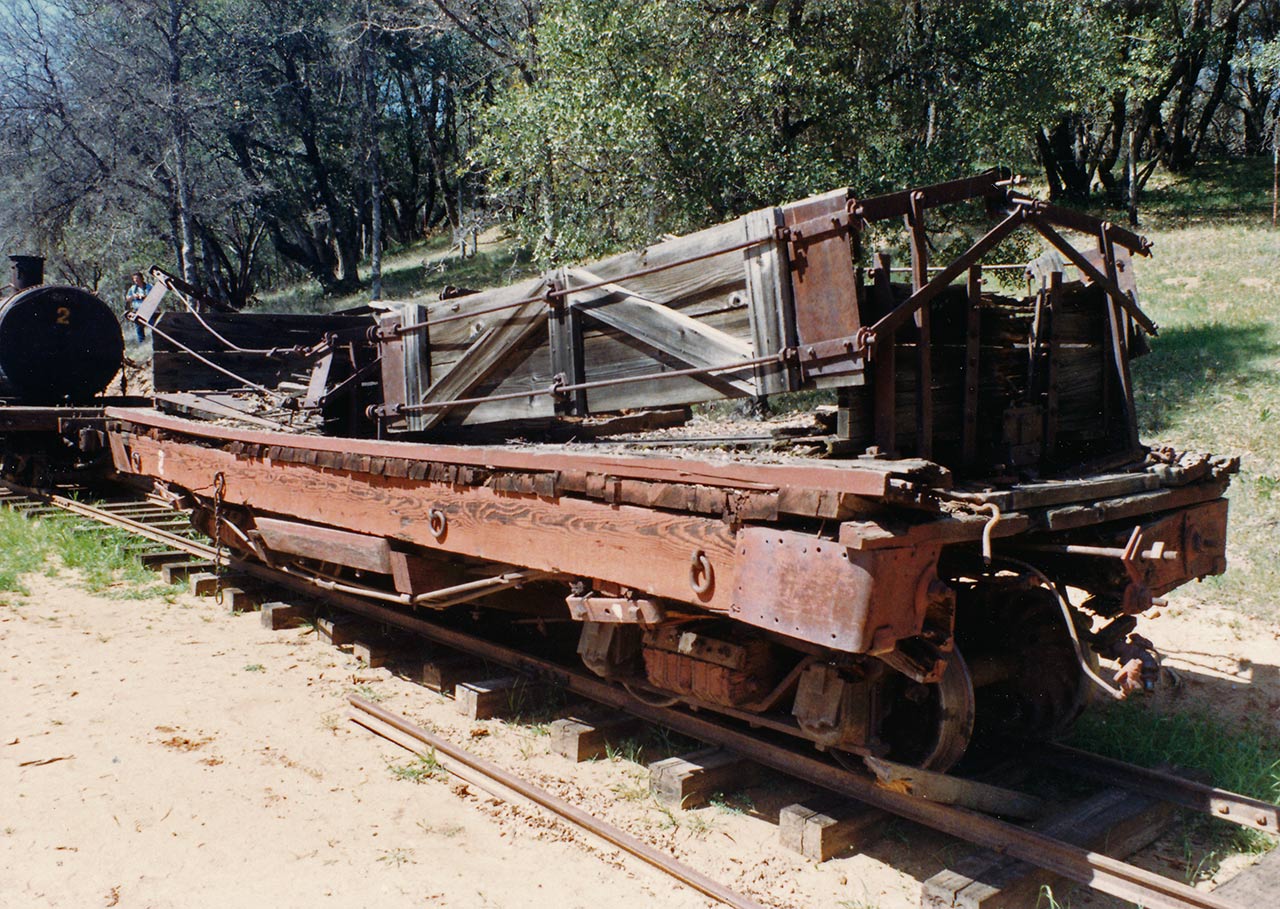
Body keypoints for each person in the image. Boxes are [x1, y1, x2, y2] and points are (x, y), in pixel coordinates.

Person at [124, 271, 150, 343]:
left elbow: (152, 296)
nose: (136, 280)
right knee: (139, 328)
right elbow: (127, 298)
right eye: (134, 279)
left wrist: (143, 296)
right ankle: (142, 344)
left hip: (148, 309)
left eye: (137, 278)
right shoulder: (133, 288)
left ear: (141, 278)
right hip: (137, 310)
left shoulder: (148, 286)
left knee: (152, 325)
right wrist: (133, 296)